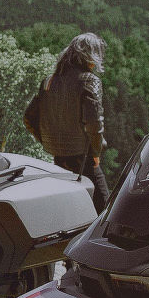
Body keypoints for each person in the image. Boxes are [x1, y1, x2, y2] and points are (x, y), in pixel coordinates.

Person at [26, 33, 109, 211]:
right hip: (83, 158)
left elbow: (29, 118)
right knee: (105, 213)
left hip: (58, 160)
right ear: (91, 56)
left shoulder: (50, 80)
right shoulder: (89, 80)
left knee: (71, 210)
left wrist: (49, 142)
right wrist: (96, 153)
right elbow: (94, 123)